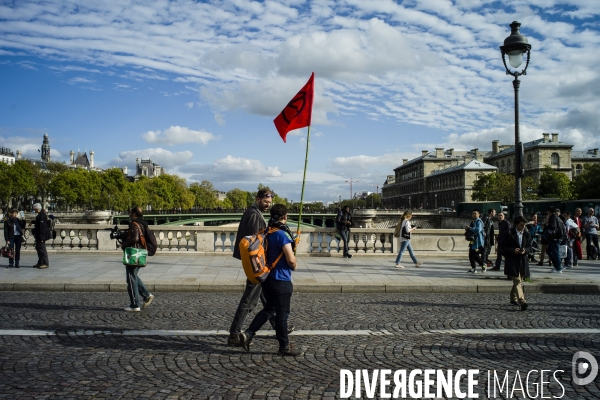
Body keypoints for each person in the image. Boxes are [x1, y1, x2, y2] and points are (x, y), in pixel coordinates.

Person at [239, 204, 303, 356]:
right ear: (285, 217)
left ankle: (248, 333)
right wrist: (294, 264)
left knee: (269, 309)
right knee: (282, 314)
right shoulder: (283, 235)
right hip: (282, 280)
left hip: (267, 279)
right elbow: (290, 259)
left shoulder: (267, 232)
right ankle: (284, 347)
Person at [228, 189, 287, 347]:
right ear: (258, 199)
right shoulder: (254, 215)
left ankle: (278, 327)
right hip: (257, 265)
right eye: (265, 202)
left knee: (268, 299)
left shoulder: (253, 212)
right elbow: (255, 244)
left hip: (256, 264)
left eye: (269, 203)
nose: (268, 205)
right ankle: (234, 334)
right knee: (249, 301)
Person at [121, 206, 154, 312]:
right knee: (133, 276)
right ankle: (146, 295)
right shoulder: (143, 224)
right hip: (140, 253)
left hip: (134, 253)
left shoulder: (134, 224)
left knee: (131, 279)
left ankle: (135, 304)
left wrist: (124, 245)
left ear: (134, 214)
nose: (129, 214)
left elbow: (135, 238)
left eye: (130, 213)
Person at [501, 215, 532, 311]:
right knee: (518, 280)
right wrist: (513, 250)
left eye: (524, 225)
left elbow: (530, 247)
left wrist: (525, 251)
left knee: (519, 280)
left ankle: (512, 298)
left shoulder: (526, 234)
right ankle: (522, 301)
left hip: (522, 261)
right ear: (516, 224)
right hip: (512, 261)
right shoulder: (509, 233)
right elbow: (503, 248)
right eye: (521, 225)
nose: (523, 227)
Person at [542, 206, 563, 273]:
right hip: (557, 237)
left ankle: (558, 267)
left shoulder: (552, 218)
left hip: (554, 238)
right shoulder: (558, 218)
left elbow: (552, 227)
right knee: (549, 251)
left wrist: (547, 225)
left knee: (555, 252)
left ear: (549, 211)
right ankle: (556, 266)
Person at [31, 203, 50, 269]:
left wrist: (42, 237)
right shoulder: (41, 214)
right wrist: (33, 222)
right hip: (39, 235)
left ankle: (45, 263)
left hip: (40, 235)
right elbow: (39, 222)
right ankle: (40, 262)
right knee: (39, 249)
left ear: (36, 209)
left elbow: (42, 227)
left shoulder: (42, 215)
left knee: (42, 249)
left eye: (34, 209)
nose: (34, 210)